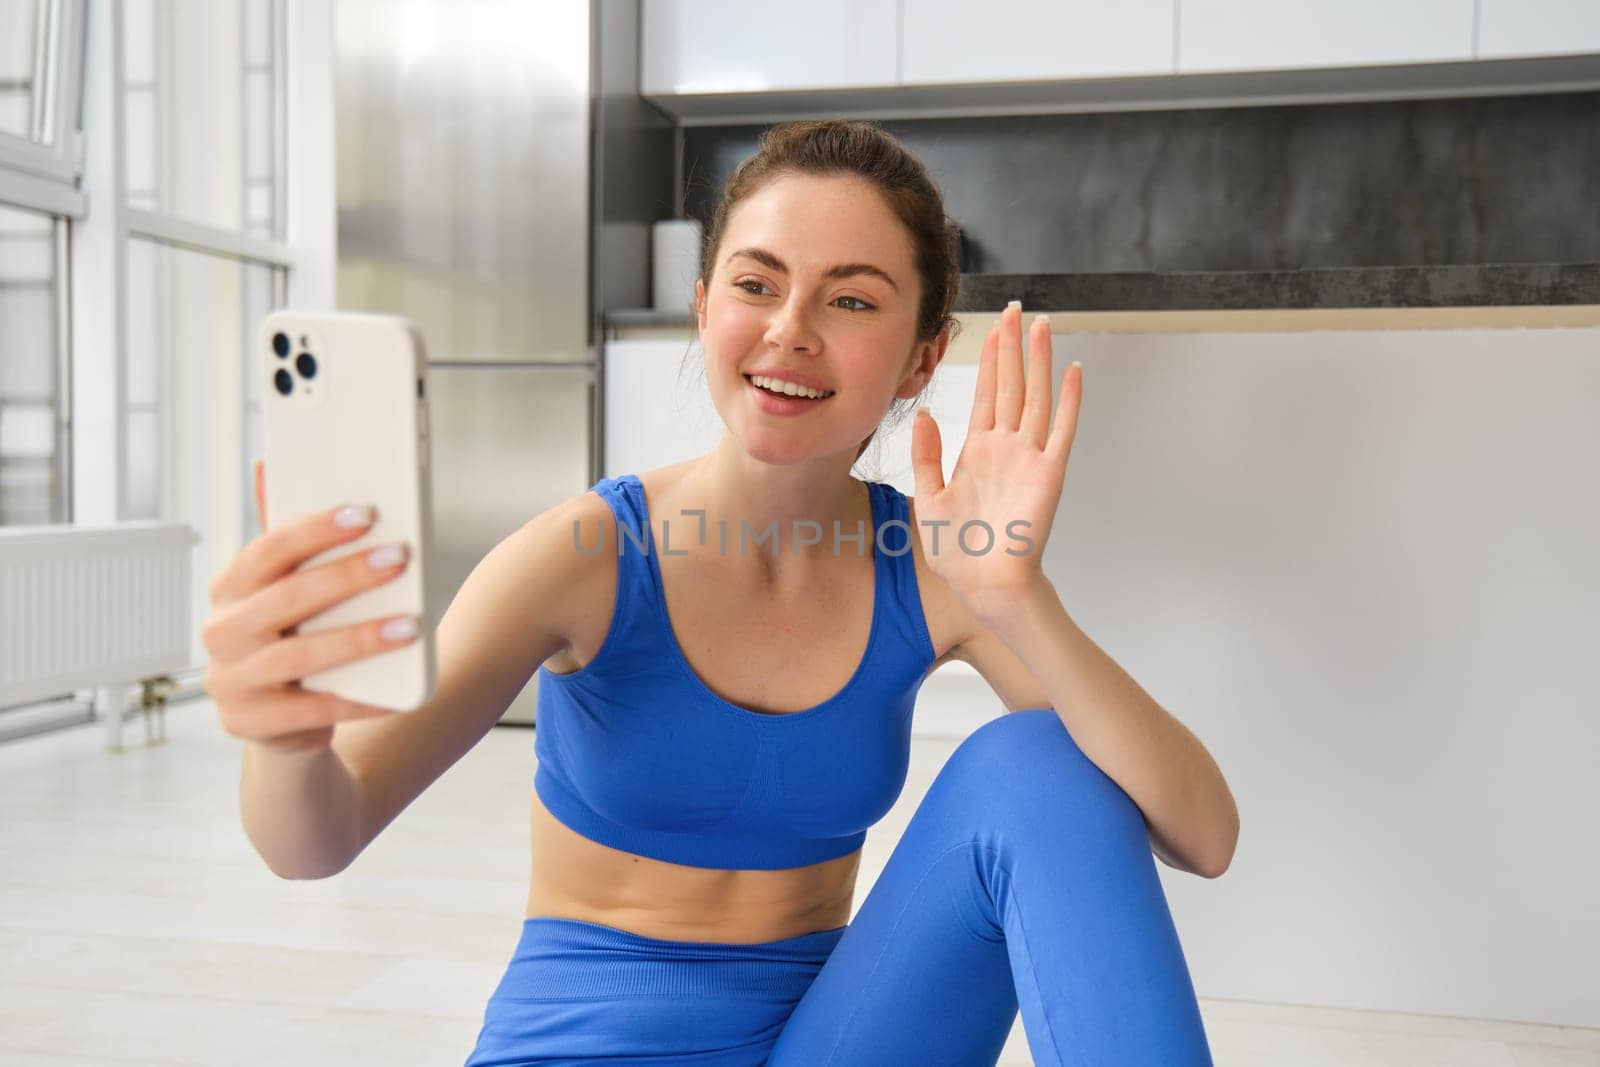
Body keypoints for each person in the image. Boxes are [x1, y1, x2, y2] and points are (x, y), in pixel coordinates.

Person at [203, 120, 1233, 1066]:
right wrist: (286, 739)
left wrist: (1015, 597)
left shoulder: (933, 563)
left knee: (1036, 757)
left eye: (852, 298)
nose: (791, 328)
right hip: (582, 1047)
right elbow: (314, 840)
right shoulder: (584, 553)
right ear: (704, 307)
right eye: (756, 282)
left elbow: (1204, 832)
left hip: (828, 1041)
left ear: (922, 355)